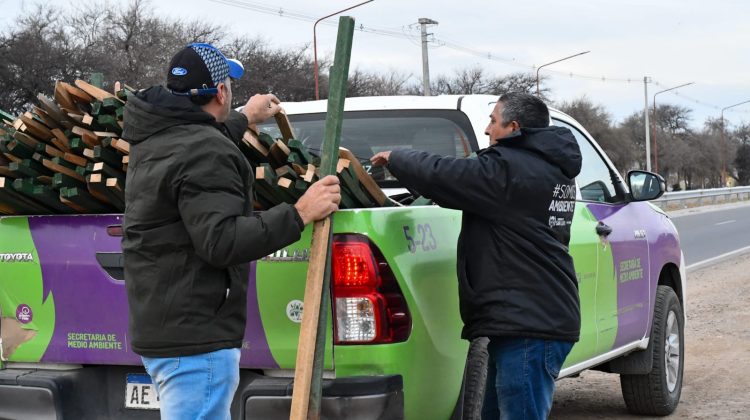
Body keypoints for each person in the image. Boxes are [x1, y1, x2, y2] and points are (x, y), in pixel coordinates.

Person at [121, 42, 340, 419]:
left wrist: (244, 118)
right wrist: (299, 213)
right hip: (197, 338)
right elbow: (220, 241)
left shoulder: (157, 138)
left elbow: (200, 149)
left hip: (166, 327)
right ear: (221, 91)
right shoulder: (204, 149)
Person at [371, 92, 582, 419]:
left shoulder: (511, 170)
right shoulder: (547, 168)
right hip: (529, 316)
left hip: (528, 324)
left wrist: (398, 158)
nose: (487, 129)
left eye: (493, 121)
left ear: (513, 127)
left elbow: (448, 174)